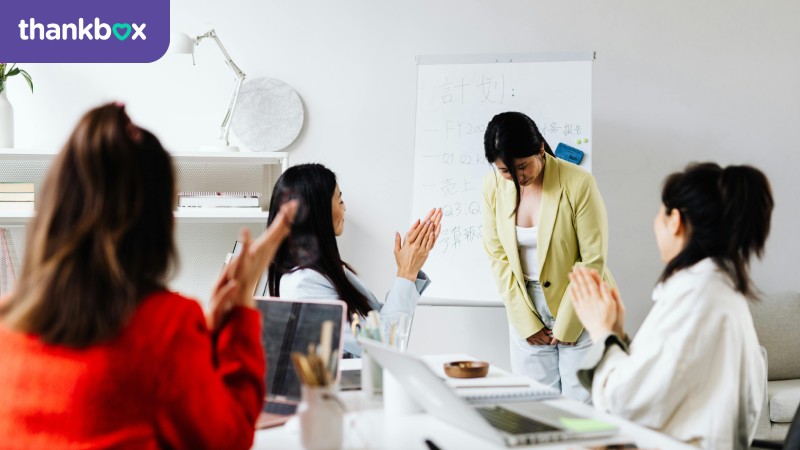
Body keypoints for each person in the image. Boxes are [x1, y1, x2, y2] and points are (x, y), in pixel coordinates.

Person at [0, 103, 297, 449]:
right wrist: (241, 311)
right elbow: (230, 437)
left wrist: (207, 334)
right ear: (159, 222)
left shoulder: (8, 319)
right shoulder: (166, 327)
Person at [570, 162, 773, 449]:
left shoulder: (698, 300)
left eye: (659, 213)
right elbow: (668, 383)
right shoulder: (716, 290)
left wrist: (601, 334)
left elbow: (625, 401)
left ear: (675, 220)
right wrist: (618, 337)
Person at [481, 111, 614, 402]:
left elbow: (593, 259)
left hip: (580, 299)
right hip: (525, 303)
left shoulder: (578, 182)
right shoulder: (492, 186)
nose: (517, 178)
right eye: (506, 171)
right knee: (535, 405)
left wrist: (568, 323)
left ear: (541, 148)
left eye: (523, 166)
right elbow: (497, 255)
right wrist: (525, 320)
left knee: (582, 406)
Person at [267, 163, 442, 357]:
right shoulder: (304, 283)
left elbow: (377, 323)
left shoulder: (323, 272)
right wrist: (406, 273)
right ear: (319, 212)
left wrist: (408, 270)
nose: (345, 208)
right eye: (340, 201)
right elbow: (381, 344)